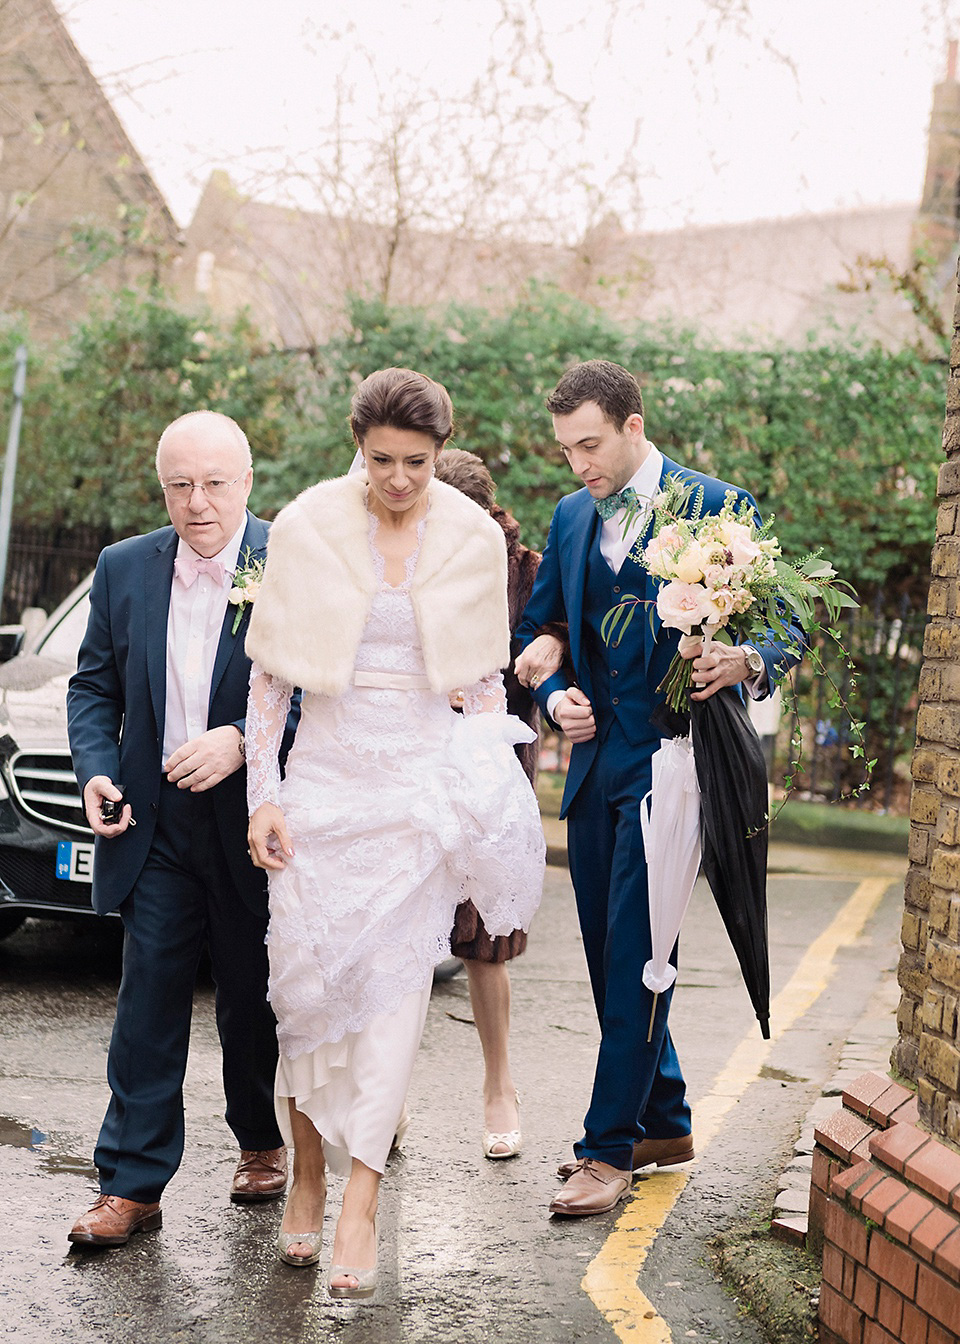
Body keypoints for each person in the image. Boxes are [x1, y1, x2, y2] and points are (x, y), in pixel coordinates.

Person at [244, 367, 545, 1297]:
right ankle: (305, 1174)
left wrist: (482, 791)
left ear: (441, 452)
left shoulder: (467, 539)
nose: (402, 479)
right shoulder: (306, 526)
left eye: (419, 461)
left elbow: (483, 685)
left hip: (416, 797)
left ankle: (363, 1198)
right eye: (383, 460)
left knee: (390, 1007)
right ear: (357, 445)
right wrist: (265, 796)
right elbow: (270, 687)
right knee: (303, 994)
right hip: (323, 793)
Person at [514, 359, 801, 1218]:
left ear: (634, 426)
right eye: (567, 450)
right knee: (611, 963)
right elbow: (542, 626)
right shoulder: (570, 517)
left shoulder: (720, 508)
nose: (578, 467)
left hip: (673, 770)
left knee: (643, 952)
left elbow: (782, 622)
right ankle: (667, 1121)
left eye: (590, 445)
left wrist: (744, 659)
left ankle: (606, 1153)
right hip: (597, 766)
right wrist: (550, 686)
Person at [65, 411, 298, 1249]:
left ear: (247, 480)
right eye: (179, 486)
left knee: (250, 998)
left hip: (256, 819)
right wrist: (97, 766)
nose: (197, 504)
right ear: (161, 486)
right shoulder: (123, 567)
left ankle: (261, 1139)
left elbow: (329, 690)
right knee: (149, 1000)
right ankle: (130, 1184)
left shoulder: (296, 560)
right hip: (152, 819)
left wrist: (244, 741)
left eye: (214, 484)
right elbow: (93, 688)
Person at [433, 448, 564, 1158]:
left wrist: (544, 646)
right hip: (415, 768)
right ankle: (384, 1099)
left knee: (485, 945)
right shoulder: (407, 558)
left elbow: (560, 643)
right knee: (400, 938)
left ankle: (499, 1087)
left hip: (492, 780)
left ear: (490, 516)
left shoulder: (531, 573)